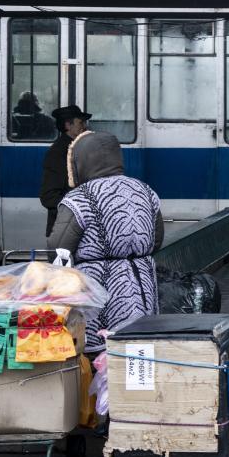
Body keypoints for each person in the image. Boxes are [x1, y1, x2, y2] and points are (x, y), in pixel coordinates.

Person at [48, 131, 164, 354]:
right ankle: (136, 388)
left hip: (99, 289)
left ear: (80, 162)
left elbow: (59, 248)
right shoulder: (145, 190)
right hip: (142, 285)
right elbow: (157, 240)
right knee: (137, 352)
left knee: (101, 354)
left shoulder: (80, 198)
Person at [41, 105, 91, 237]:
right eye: (80, 122)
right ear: (68, 125)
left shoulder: (76, 148)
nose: (84, 126)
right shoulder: (58, 153)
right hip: (64, 230)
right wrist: (81, 207)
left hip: (73, 228)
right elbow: (49, 197)